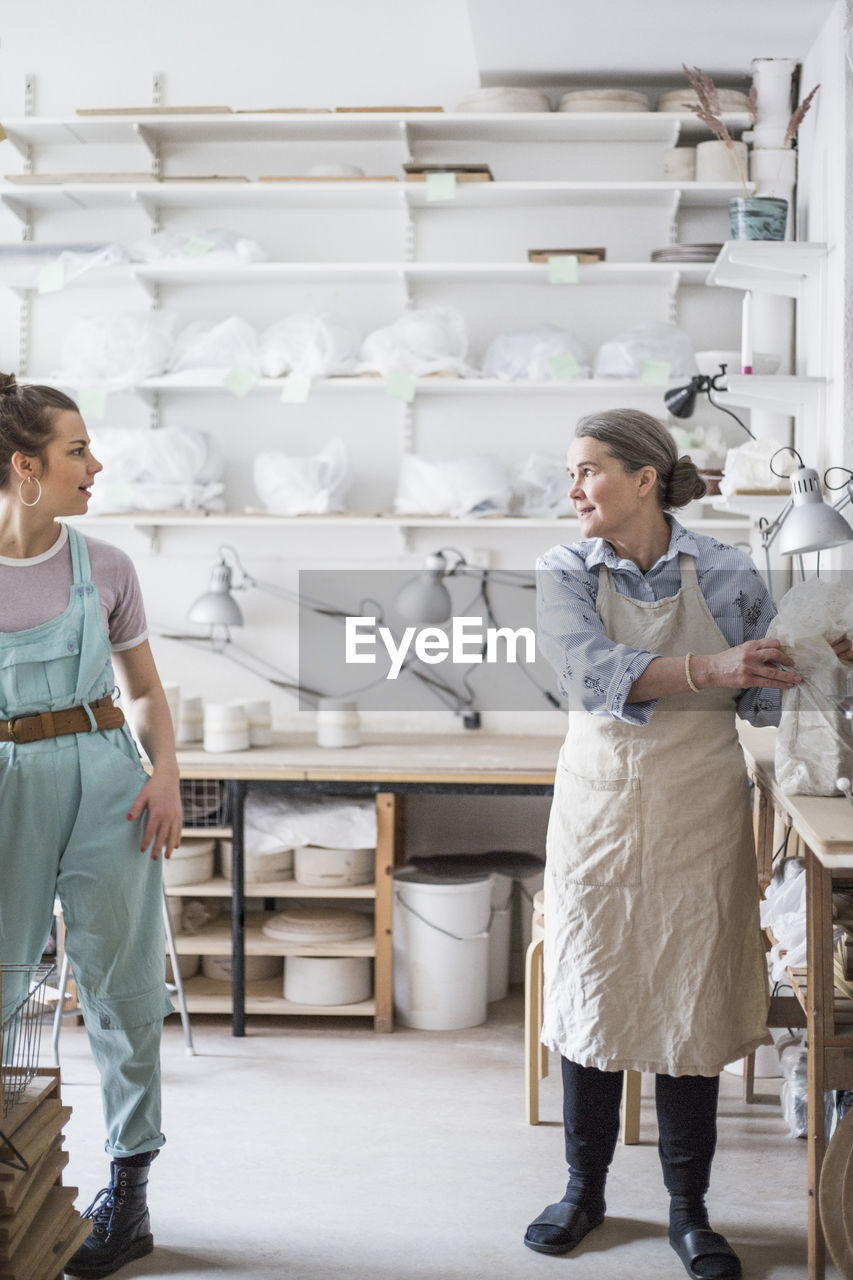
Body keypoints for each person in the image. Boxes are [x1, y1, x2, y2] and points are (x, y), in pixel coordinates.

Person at [525, 409, 853, 1280]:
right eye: (570, 471)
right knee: (591, 990)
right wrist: (714, 668)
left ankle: (687, 1213)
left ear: (641, 479)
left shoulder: (727, 570)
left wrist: (822, 660)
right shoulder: (562, 569)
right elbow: (589, 675)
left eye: (587, 470)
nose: (572, 488)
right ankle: (582, 1192)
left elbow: (760, 699)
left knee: (690, 998)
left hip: (696, 809)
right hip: (596, 811)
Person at [0, 374, 183, 1278]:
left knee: (123, 990)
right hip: (6, 788)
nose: (95, 464)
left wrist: (168, 781)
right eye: (77, 450)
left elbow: (144, 691)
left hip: (111, 781)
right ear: (25, 469)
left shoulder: (103, 566)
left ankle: (130, 1192)